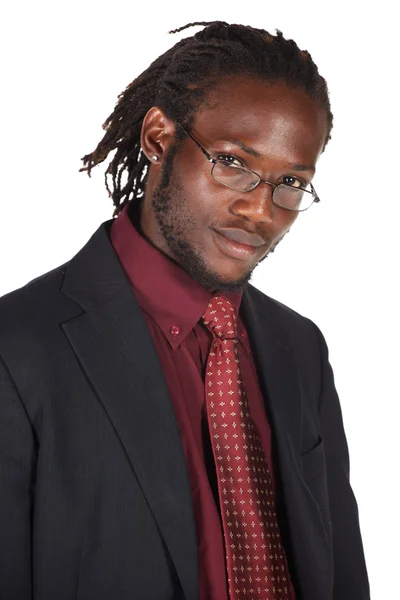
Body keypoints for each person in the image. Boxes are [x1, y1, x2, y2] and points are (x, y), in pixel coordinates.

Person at [0, 20, 369, 600]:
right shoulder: (17, 348)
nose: (260, 211)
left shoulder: (301, 348)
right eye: (232, 162)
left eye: (291, 182)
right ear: (158, 137)